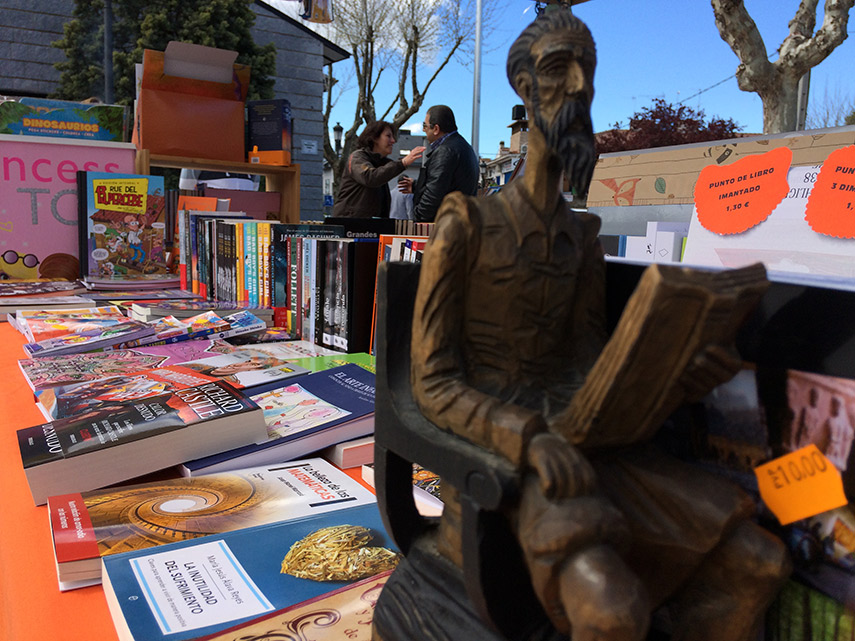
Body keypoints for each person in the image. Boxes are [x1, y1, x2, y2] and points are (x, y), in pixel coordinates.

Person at [409, 9, 789, 641]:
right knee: (612, 613)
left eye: (589, 70)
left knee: (760, 562)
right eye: (561, 68)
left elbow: (587, 362)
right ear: (526, 89)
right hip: (508, 466)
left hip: (591, 451)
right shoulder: (466, 226)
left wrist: (680, 376)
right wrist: (526, 437)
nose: (581, 85)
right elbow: (432, 382)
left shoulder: (582, 236)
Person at [398, 105, 480, 222]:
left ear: (436, 129)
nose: (423, 130)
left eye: (425, 126)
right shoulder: (465, 147)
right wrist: (417, 186)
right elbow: (448, 184)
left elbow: (434, 196)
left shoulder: (445, 151)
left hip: (444, 227)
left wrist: (418, 219)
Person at [333, 121, 424, 218]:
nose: (393, 141)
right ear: (374, 138)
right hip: (352, 225)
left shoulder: (380, 162)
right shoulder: (357, 157)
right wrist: (403, 162)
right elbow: (370, 177)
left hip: (367, 227)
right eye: (388, 136)